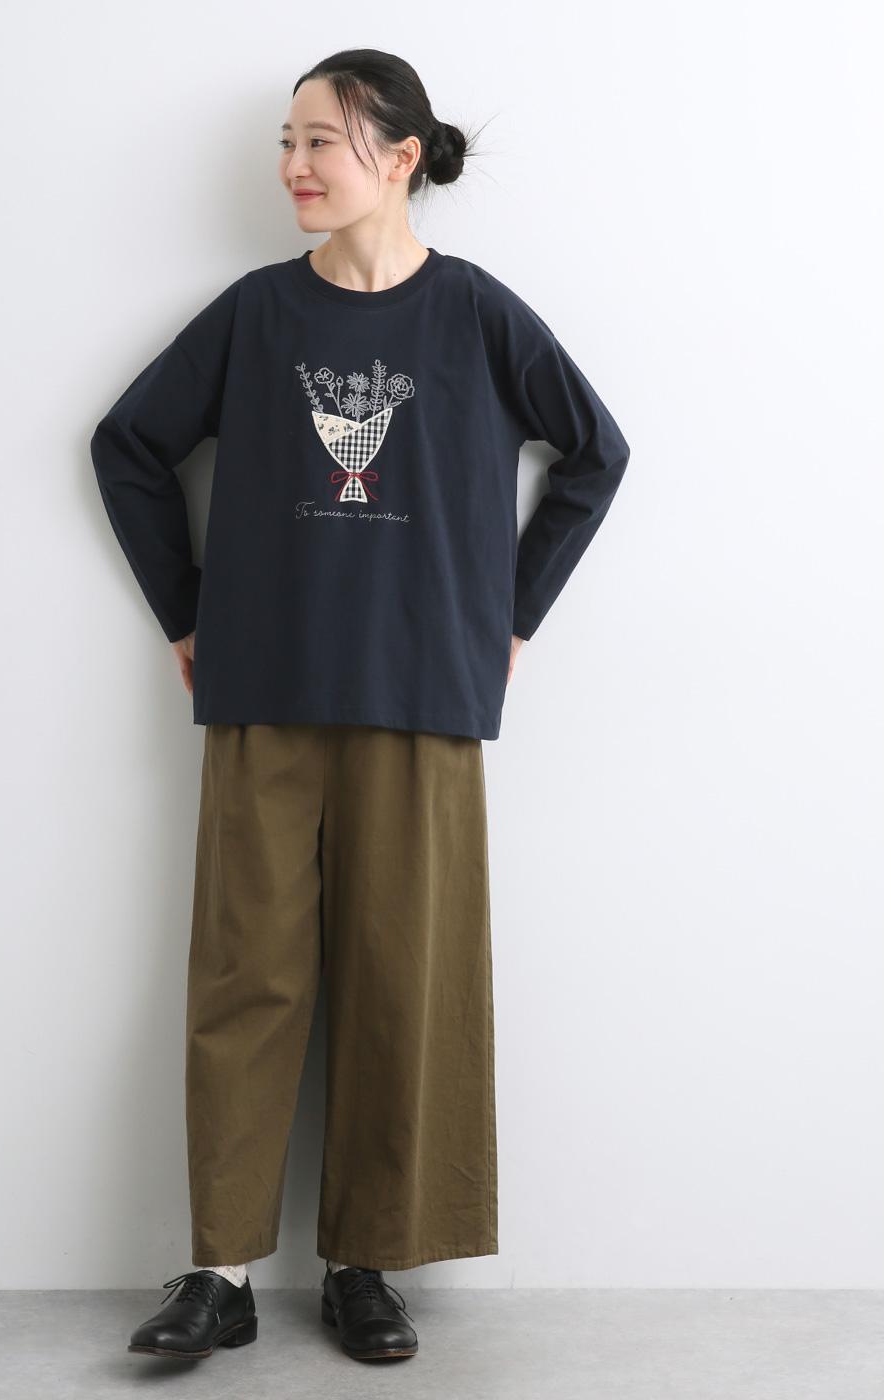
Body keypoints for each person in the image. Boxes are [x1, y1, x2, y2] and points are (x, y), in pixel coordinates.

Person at [91, 48, 631, 1364]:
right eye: (286, 142)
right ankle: (219, 1271)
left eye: (318, 141)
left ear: (396, 157)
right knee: (246, 977)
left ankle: (364, 1265)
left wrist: (510, 616)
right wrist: (186, 614)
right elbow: (129, 444)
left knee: (405, 980)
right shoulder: (256, 315)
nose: (292, 165)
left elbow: (596, 453)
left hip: (423, 693)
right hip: (264, 688)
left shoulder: (476, 315)